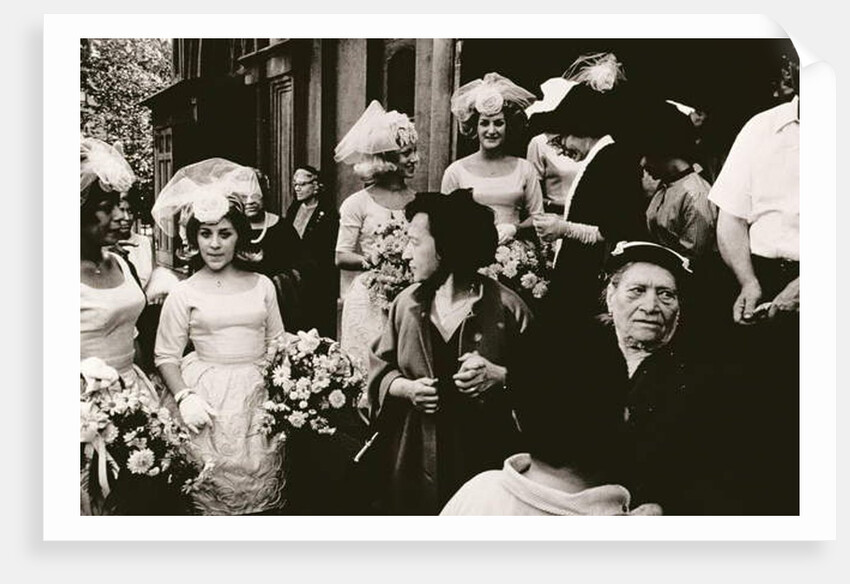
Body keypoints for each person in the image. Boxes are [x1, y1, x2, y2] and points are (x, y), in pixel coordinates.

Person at [516, 241, 739, 514]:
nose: (651, 306)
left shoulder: (702, 376)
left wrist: (663, 505)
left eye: (666, 295)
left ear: (680, 308)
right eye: (637, 291)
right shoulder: (575, 354)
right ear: (611, 295)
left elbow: (712, 469)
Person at [365, 191, 533, 515]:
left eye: (415, 242)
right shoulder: (407, 305)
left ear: (447, 246)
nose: (405, 253)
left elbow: (545, 386)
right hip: (413, 454)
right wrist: (407, 389)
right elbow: (379, 370)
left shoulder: (510, 309)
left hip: (486, 461)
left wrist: (500, 376)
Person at [152, 159, 286, 515]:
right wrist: (184, 397)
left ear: (239, 235)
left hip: (257, 396)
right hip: (206, 396)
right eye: (205, 234)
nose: (214, 244)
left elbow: (278, 343)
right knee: (211, 492)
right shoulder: (184, 292)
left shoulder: (263, 285)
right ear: (193, 238)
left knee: (256, 484)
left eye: (224, 234)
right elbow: (165, 354)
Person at [708, 58, 800, 515]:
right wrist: (747, 282)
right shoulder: (762, 128)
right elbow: (731, 216)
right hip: (761, 278)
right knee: (753, 420)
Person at [79, 137, 159, 515]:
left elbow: (135, 332)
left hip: (133, 390)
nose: (118, 217)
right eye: (104, 209)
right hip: (84, 406)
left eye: (119, 207)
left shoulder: (121, 263)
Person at [528, 81, 648, 323]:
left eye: (559, 141)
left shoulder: (613, 160)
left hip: (592, 284)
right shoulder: (600, 159)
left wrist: (564, 229)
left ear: (577, 126)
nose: (560, 151)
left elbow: (617, 230)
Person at [334, 100, 419, 367]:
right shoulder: (357, 203)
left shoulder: (420, 202)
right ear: (386, 159)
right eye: (406, 153)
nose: (414, 158)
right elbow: (341, 256)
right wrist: (376, 262)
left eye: (414, 151)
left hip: (410, 296)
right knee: (368, 367)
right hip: (369, 298)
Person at [441, 72, 543, 244]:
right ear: (475, 127)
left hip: (516, 257)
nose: (491, 130)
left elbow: (538, 217)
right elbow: (444, 221)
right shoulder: (455, 171)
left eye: (498, 123)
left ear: (508, 126)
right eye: (484, 123)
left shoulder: (525, 169)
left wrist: (515, 229)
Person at [642, 101, 718, 265]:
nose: (643, 163)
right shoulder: (664, 186)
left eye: (646, 155)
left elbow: (694, 260)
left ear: (663, 151)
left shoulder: (696, 195)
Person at [240, 167, 307, 332]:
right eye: (244, 196)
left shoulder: (282, 228)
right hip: (239, 307)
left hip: (278, 308)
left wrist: (280, 283)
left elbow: (303, 264)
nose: (250, 201)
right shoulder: (230, 230)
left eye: (256, 194)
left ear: (264, 194)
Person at [282, 165, 340, 339]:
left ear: (316, 186)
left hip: (319, 280)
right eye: (295, 184)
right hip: (295, 279)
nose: (297, 188)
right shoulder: (294, 209)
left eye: (302, 184)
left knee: (317, 329)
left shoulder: (328, 214)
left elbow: (327, 250)